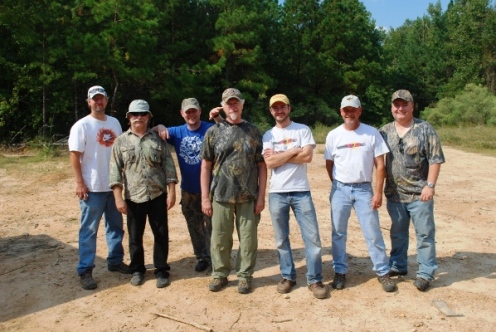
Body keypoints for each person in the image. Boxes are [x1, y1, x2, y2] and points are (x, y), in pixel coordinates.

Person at [324, 95, 397, 292]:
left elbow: (380, 165)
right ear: (341, 111)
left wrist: (378, 192)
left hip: (365, 190)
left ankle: (383, 272)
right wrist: (338, 186)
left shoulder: (371, 133)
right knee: (338, 233)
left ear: (359, 111)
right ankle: (339, 272)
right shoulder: (333, 135)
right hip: (340, 189)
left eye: (353, 109)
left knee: (372, 232)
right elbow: (329, 165)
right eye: (346, 109)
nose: (349, 113)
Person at [200, 88, 267, 294]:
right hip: (220, 195)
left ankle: (245, 276)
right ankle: (219, 274)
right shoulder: (214, 131)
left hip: (248, 197)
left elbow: (262, 166)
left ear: (242, 104)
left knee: (248, 240)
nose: (233, 106)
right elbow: (206, 166)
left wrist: (261, 196)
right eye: (229, 103)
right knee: (219, 238)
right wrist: (205, 198)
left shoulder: (254, 131)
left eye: (236, 102)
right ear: (223, 105)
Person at [261, 94, 327, 299]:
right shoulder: (268, 135)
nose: (279, 111)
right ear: (271, 111)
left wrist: (281, 156)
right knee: (281, 239)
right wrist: (294, 150)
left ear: (289, 108)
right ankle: (288, 276)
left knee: (313, 239)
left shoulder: (302, 129)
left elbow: (307, 157)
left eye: (282, 107)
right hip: (277, 192)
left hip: (301, 191)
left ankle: (315, 279)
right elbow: (269, 164)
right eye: (275, 108)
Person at [379, 90, 445, 292]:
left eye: (404, 104)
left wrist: (430, 186)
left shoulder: (424, 129)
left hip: (420, 194)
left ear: (412, 106)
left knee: (424, 234)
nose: (400, 108)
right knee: (398, 233)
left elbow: (435, 159)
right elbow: (377, 163)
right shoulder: (383, 131)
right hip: (395, 194)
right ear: (391, 107)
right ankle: (398, 265)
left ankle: (425, 272)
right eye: (396, 105)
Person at [109, 99, 178, 288]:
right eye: (134, 114)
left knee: (161, 234)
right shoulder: (120, 141)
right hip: (133, 197)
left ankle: (161, 269)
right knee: (134, 236)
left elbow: (169, 168)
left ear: (149, 117)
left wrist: (172, 192)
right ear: (128, 118)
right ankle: (138, 269)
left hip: (157, 195)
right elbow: (115, 171)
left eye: (142, 114)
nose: (138, 118)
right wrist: (118, 198)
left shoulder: (158, 140)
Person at [69, 85, 131, 290]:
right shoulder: (82, 126)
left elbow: (122, 152)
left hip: (113, 186)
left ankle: (115, 261)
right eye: (94, 99)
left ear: (106, 100)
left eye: (101, 98)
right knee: (89, 230)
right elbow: (75, 156)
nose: (98, 102)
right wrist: (80, 182)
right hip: (92, 188)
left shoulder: (114, 123)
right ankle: (85, 270)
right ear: (88, 102)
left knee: (115, 227)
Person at [166, 98, 213, 273]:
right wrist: (160, 127)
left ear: (200, 111)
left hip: (210, 188)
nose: (191, 114)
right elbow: (156, 131)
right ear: (182, 114)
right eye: (188, 112)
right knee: (194, 225)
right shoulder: (177, 132)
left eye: (194, 111)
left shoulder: (210, 129)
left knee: (213, 225)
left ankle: (214, 256)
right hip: (188, 189)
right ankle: (202, 256)